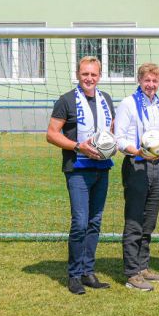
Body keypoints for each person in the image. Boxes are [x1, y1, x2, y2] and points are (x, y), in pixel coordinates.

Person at [47, 56, 115, 295]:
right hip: (77, 170)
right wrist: (78, 146)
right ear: (78, 75)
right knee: (80, 222)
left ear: (100, 76)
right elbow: (52, 134)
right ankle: (74, 275)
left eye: (93, 74)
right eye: (85, 74)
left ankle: (88, 271)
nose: (89, 78)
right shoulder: (66, 100)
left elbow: (110, 130)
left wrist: (111, 146)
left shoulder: (106, 99)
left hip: (101, 169)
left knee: (95, 221)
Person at [116, 63, 159, 292]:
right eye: (147, 80)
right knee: (135, 220)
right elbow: (118, 138)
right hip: (136, 165)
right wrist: (137, 151)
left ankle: (143, 266)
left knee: (149, 221)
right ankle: (131, 273)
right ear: (139, 80)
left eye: (155, 81)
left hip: (156, 167)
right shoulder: (128, 103)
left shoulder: (158, 105)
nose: (151, 84)